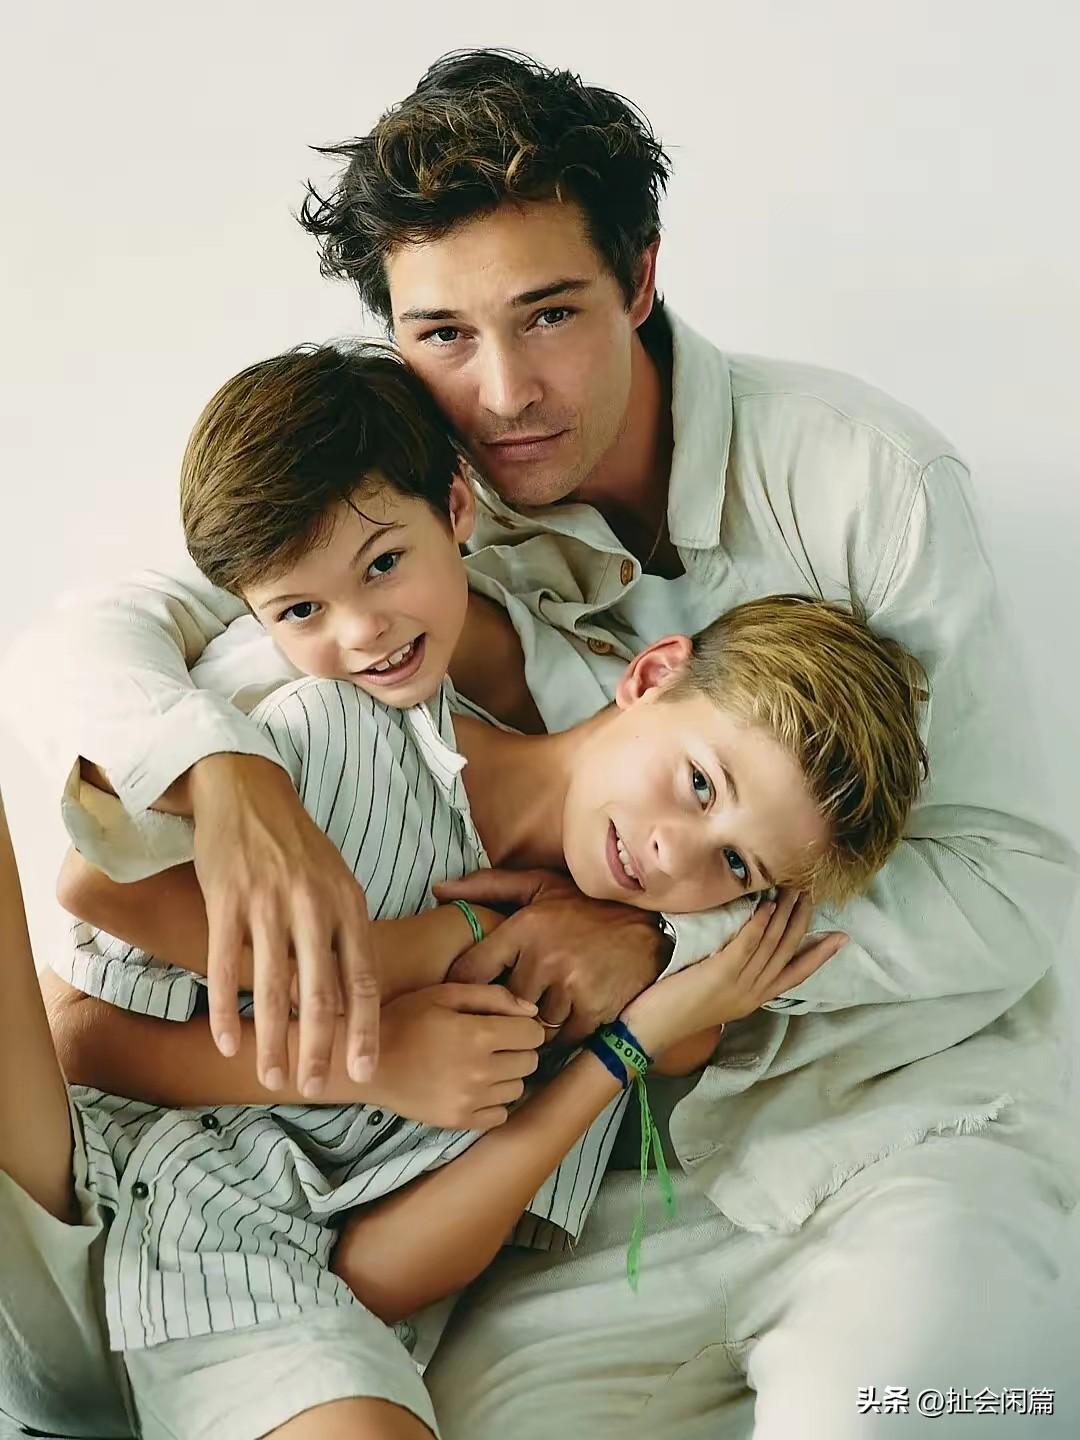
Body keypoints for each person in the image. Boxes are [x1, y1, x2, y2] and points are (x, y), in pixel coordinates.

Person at [3, 46, 1077, 1439]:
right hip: (567, 1184)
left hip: (881, 1123)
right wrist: (225, 772)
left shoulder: (864, 479)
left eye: (550, 315)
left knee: (898, 1410)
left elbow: (1012, 885)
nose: (503, 390)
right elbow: (122, 626)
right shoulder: (418, 510)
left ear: (640, 281)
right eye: (443, 334)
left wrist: (658, 942)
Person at [26, 339, 925, 1440]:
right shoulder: (336, 725)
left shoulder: (588, 983)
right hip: (78, 1180)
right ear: (649, 675)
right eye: (699, 785)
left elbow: (378, 1274)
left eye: (735, 866)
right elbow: (88, 939)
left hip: (252, 1280)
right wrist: (407, 988)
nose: (675, 855)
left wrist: (627, 1047)